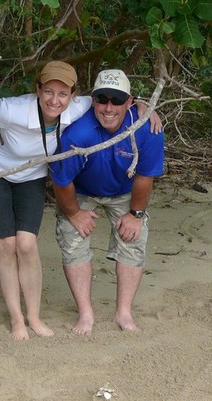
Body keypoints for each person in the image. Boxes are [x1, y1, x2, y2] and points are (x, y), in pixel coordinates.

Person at [50, 69, 165, 336]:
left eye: (117, 100)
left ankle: (123, 312)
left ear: (129, 101)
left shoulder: (147, 128)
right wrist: (75, 213)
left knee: (133, 240)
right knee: (72, 240)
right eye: (102, 99)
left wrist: (136, 214)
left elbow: (145, 177)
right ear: (93, 100)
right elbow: (61, 181)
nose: (109, 107)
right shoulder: (77, 135)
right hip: (83, 190)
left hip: (126, 190)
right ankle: (85, 313)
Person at [0, 61, 85, 340]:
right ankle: (16, 319)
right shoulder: (11, 110)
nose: (55, 100)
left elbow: (116, 103)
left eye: (62, 94)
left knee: (26, 243)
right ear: (37, 90)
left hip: (32, 176)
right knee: (7, 244)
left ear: (73, 95)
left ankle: (33, 316)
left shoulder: (78, 108)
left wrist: (144, 107)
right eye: (48, 91)